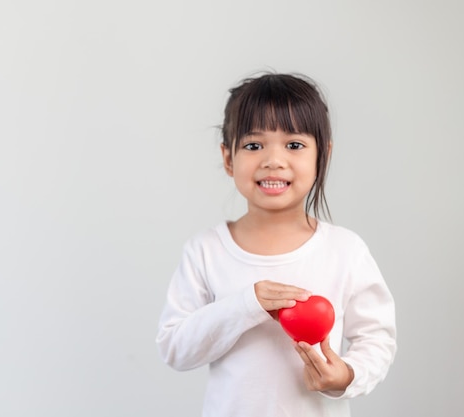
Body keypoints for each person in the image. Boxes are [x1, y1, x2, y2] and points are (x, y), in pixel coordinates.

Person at [155, 72, 397, 417]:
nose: (273, 160)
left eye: (294, 145)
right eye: (253, 145)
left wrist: (346, 375)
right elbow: (175, 348)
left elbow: (377, 339)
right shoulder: (205, 250)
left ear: (322, 156)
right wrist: (245, 305)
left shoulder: (346, 250)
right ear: (228, 158)